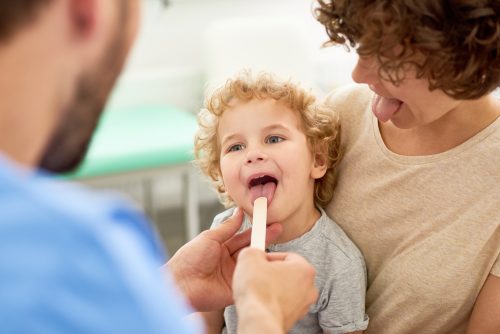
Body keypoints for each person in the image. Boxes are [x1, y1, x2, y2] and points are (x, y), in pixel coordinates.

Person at [0, 1, 319, 333]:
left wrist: (170, 285)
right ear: (88, 8)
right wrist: (264, 315)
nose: (253, 154)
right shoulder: (75, 255)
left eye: (274, 139)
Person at [314, 1, 500, 333]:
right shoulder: (339, 115)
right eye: (361, 45)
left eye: (388, 57)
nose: (358, 74)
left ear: (465, 57)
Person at [194, 71, 369, 334]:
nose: (253, 154)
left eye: (274, 139)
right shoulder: (224, 234)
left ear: (317, 159)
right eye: (235, 147)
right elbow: (204, 325)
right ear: (220, 173)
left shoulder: (338, 263)